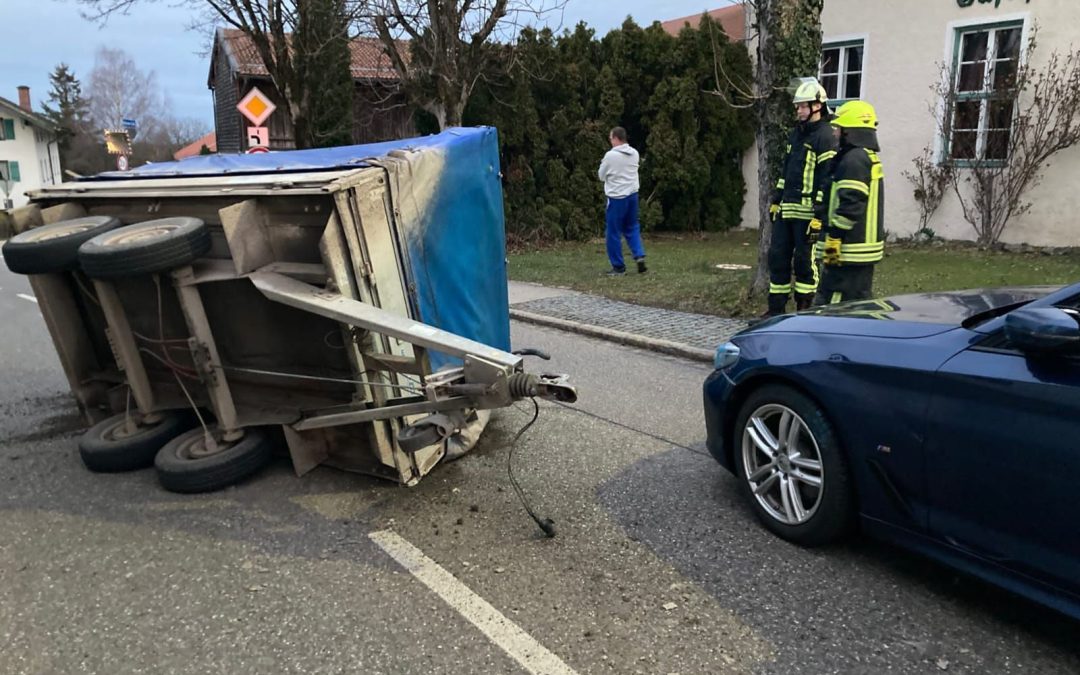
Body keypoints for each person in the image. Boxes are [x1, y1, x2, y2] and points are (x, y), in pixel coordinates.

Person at [765, 78, 837, 316]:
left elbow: (826, 178)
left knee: (804, 262)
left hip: (808, 214)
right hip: (787, 210)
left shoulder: (825, 136)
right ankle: (775, 310)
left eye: (803, 106)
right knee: (777, 257)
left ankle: (804, 311)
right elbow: (786, 171)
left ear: (817, 106)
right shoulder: (796, 135)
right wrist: (777, 200)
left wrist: (819, 214)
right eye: (797, 107)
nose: (798, 111)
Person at [814, 100, 885, 305]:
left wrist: (834, 237)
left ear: (850, 131)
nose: (835, 133)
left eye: (838, 128)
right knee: (856, 303)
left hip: (848, 247)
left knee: (835, 303)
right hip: (857, 248)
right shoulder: (864, 156)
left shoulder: (854, 159)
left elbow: (851, 204)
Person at [598, 126, 647, 276]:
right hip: (632, 195)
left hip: (617, 198)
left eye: (610, 138)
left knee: (613, 232)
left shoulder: (610, 156)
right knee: (632, 227)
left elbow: (601, 175)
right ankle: (639, 255)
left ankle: (618, 267)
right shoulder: (634, 153)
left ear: (615, 138)